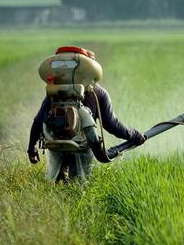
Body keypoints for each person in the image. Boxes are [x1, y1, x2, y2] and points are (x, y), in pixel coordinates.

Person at [27, 48, 146, 182]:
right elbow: (112, 125)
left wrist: (31, 148)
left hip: (57, 144)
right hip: (82, 145)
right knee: (79, 185)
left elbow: (39, 121)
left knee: (56, 182)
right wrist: (135, 135)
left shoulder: (56, 92)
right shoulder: (99, 92)